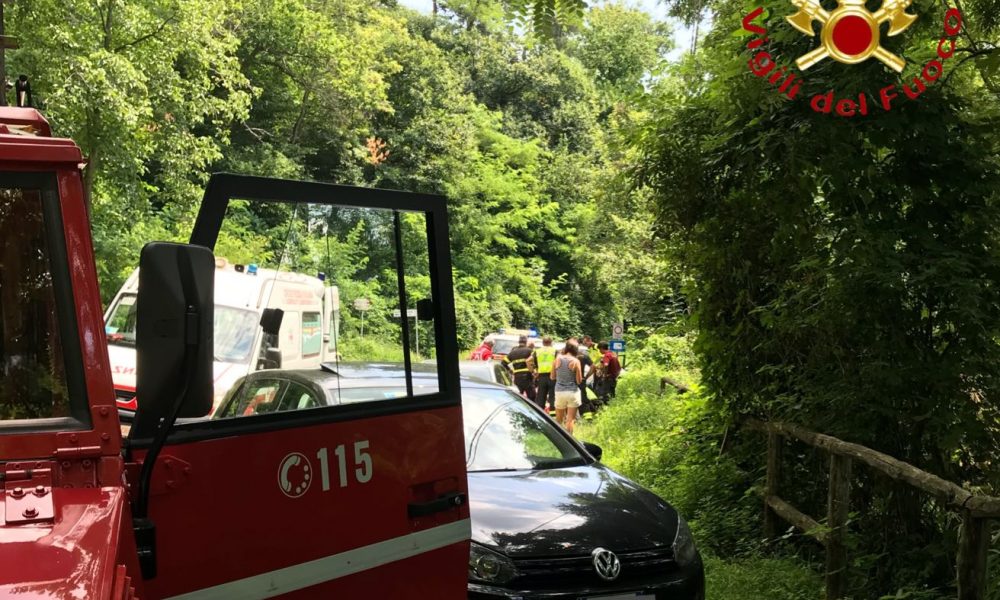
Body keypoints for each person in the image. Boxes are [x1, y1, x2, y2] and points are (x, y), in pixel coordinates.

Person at [551, 341, 582, 434]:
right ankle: (570, 442)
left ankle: (559, 440)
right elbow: (579, 380)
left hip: (559, 392)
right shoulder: (576, 361)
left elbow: (552, 377)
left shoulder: (557, 360)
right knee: (570, 420)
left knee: (559, 420)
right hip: (572, 392)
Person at [502, 336, 535, 402]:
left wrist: (510, 371)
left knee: (518, 398)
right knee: (531, 397)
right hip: (528, 376)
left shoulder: (513, 352)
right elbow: (535, 361)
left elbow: (503, 363)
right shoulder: (530, 351)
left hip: (517, 376)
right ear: (526, 342)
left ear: (519, 342)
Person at [531, 337, 558, 410]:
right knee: (553, 397)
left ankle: (540, 414)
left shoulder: (537, 351)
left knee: (541, 397)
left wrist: (534, 371)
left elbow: (529, 361)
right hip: (553, 376)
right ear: (551, 342)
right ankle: (553, 416)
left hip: (541, 377)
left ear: (542, 343)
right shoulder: (555, 351)